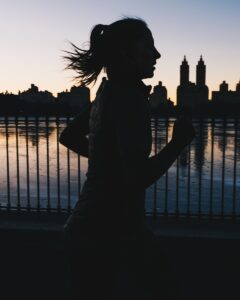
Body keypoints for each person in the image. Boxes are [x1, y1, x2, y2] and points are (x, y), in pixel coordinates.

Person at [61, 17, 195, 300]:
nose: (157, 55)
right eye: (149, 47)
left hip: (90, 228)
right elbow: (137, 178)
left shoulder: (107, 92)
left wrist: (105, 161)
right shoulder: (130, 100)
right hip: (110, 232)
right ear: (126, 52)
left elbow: (69, 136)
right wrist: (177, 144)